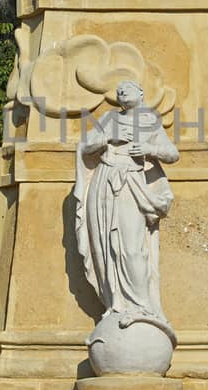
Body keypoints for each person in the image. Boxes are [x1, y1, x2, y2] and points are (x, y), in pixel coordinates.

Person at [74, 81, 178, 333]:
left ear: (141, 94)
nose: (121, 91)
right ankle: (115, 304)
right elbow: (86, 147)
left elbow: (172, 153)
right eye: (118, 89)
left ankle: (142, 307)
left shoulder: (150, 120)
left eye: (127, 88)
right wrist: (107, 137)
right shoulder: (110, 118)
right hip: (105, 180)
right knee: (106, 245)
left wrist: (150, 148)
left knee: (131, 247)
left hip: (132, 182)